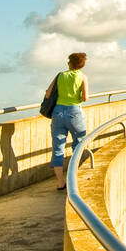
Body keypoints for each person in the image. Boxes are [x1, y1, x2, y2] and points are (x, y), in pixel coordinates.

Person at [46, 52, 88, 190]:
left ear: (70, 62)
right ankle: (74, 179)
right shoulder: (82, 76)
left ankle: (60, 183)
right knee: (79, 146)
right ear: (82, 64)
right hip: (74, 112)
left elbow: (48, 93)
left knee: (58, 148)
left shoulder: (60, 75)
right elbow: (85, 97)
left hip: (57, 112)